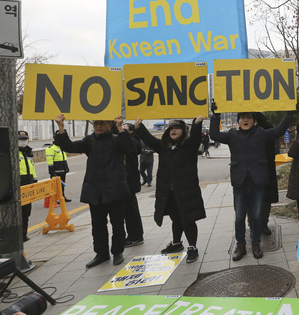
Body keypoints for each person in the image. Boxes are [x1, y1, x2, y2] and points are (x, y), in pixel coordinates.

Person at [210, 106, 293, 261]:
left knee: (256, 216)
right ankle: (240, 245)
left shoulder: (261, 134)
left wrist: (289, 114)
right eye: (242, 118)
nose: (245, 120)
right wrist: (215, 116)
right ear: (238, 121)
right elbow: (214, 134)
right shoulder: (232, 135)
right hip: (240, 183)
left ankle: (256, 244)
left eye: (248, 117)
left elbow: (279, 131)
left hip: (258, 182)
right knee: (239, 216)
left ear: (254, 121)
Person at [54, 115, 133, 268]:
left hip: (115, 189)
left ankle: (117, 252)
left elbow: (129, 148)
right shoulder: (89, 141)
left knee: (117, 223)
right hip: (95, 191)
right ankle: (101, 254)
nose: (98, 126)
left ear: (109, 125)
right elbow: (69, 147)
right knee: (97, 225)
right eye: (96, 123)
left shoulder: (117, 139)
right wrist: (61, 128)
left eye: (102, 123)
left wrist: (121, 128)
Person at [135, 117, 206, 263]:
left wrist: (197, 123)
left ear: (183, 132)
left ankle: (192, 247)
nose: (174, 130)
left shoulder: (189, 147)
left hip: (186, 192)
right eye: (171, 128)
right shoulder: (163, 147)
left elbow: (196, 137)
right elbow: (148, 139)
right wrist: (138, 126)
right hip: (168, 192)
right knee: (175, 218)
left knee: (188, 219)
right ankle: (176, 243)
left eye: (177, 128)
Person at [121, 123, 144, 247]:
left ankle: (136, 236)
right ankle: (131, 235)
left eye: (124, 129)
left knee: (131, 211)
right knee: (126, 211)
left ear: (130, 132)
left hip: (129, 182)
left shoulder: (133, 142)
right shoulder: (124, 141)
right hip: (124, 182)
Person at [18, 131, 37, 242]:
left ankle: (24, 234)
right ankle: (18, 235)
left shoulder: (28, 152)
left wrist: (34, 180)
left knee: (26, 212)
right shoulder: (13, 152)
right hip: (18, 185)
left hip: (29, 184)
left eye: (24, 139)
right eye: (20, 139)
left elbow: (32, 167)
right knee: (18, 212)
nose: (23, 141)